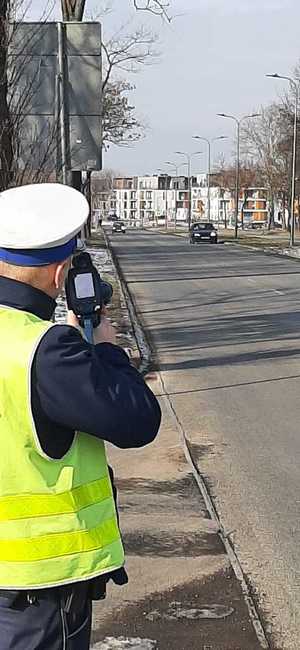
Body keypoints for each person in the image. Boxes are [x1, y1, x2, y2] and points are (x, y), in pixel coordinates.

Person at [0, 183, 161, 649]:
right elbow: (137, 420)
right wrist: (106, 350)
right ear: (58, 274)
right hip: (35, 591)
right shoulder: (45, 352)